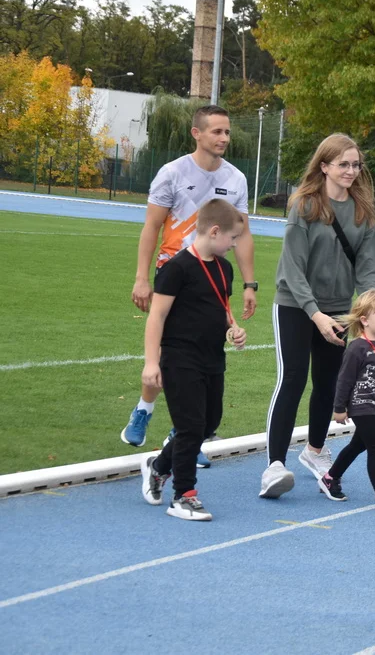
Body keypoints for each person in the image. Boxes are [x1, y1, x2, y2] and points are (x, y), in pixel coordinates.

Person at [122, 105, 256, 469]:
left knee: (202, 351)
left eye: (227, 132)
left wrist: (249, 282)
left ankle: (185, 434)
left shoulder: (237, 179)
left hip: (212, 276)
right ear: (196, 133)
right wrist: (141, 276)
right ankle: (146, 409)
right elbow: (152, 226)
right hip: (174, 271)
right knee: (174, 351)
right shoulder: (172, 173)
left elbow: (242, 235)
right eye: (217, 131)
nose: (224, 138)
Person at [260, 134, 375, 499]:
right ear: (324, 165)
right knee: (293, 379)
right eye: (343, 164)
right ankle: (274, 466)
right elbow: (293, 269)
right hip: (295, 305)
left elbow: (370, 268)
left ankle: (315, 452)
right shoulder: (305, 205)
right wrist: (315, 314)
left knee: (329, 384)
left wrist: (370, 311)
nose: (350, 170)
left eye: (355, 164)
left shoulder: (363, 210)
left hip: (340, 309)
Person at [139, 199, 247, 521]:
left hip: (212, 357)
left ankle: (158, 466)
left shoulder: (224, 268)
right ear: (215, 231)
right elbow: (156, 316)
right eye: (232, 238)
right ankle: (183, 496)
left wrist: (234, 328)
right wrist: (151, 362)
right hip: (179, 358)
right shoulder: (177, 268)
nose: (234, 244)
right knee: (189, 427)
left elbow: (221, 308)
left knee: (208, 423)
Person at [321, 289, 375, 510]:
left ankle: (330, 478)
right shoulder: (357, 348)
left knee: (356, 446)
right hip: (362, 407)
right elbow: (344, 380)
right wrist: (339, 408)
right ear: (365, 320)